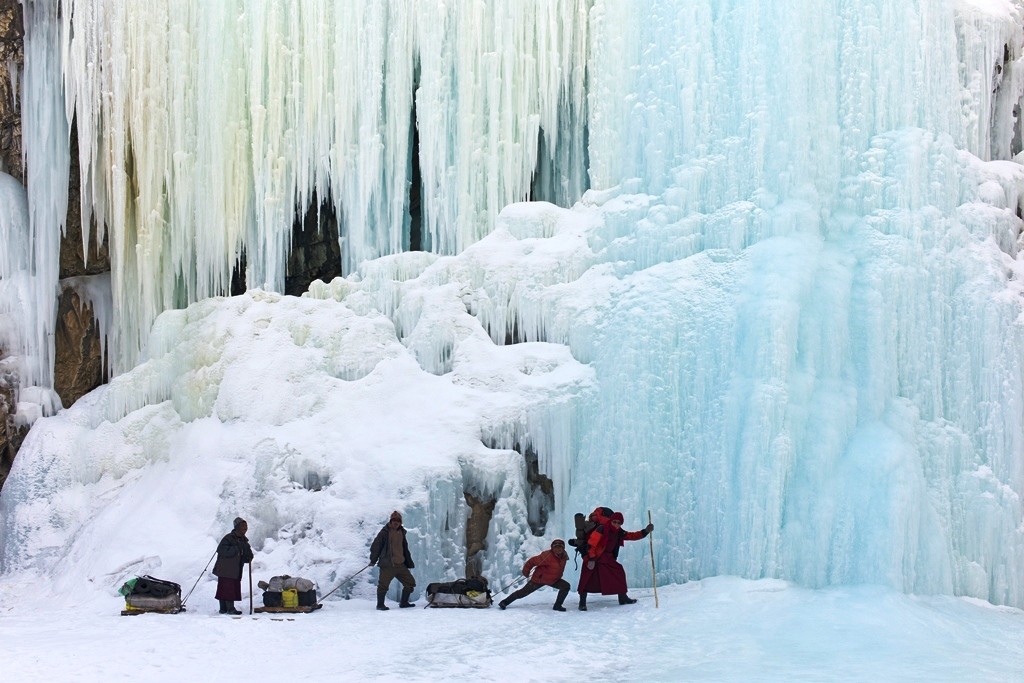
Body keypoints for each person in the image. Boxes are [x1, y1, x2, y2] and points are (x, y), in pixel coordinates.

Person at [576, 510, 653, 611]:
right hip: (594, 557)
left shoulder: (619, 532)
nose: (616, 524)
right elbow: (592, 543)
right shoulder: (601, 529)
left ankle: (623, 598)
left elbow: (631, 536)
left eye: (619, 523)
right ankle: (582, 603)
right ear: (611, 521)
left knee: (619, 572)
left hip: (607, 558)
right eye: (614, 522)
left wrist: (645, 531)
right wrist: (591, 558)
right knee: (587, 579)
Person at [498, 539, 570, 611]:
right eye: (556, 547)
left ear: (563, 548)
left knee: (566, 586)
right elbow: (532, 561)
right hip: (539, 579)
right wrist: (526, 572)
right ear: (552, 548)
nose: (558, 549)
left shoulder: (564, 557)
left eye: (560, 547)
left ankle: (557, 606)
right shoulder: (547, 555)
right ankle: (504, 602)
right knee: (523, 593)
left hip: (553, 580)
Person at [369, 510, 416, 611]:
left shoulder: (402, 532)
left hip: (400, 564)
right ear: (390, 521)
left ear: (400, 522)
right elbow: (376, 546)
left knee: (410, 582)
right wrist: (373, 560)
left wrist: (407, 561)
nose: (396, 522)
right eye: (394, 520)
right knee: (383, 585)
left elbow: (404, 548)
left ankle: (404, 602)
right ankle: (380, 605)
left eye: (398, 520)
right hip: (388, 564)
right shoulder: (384, 532)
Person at [213, 517, 254, 615]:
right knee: (227, 588)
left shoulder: (244, 540)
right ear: (237, 527)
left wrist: (248, 556)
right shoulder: (228, 538)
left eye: (246, 526)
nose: (245, 528)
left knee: (228, 588)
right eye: (242, 526)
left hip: (235, 569)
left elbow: (247, 554)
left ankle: (224, 609)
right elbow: (222, 550)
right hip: (225, 569)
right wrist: (237, 548)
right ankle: (229, 608)